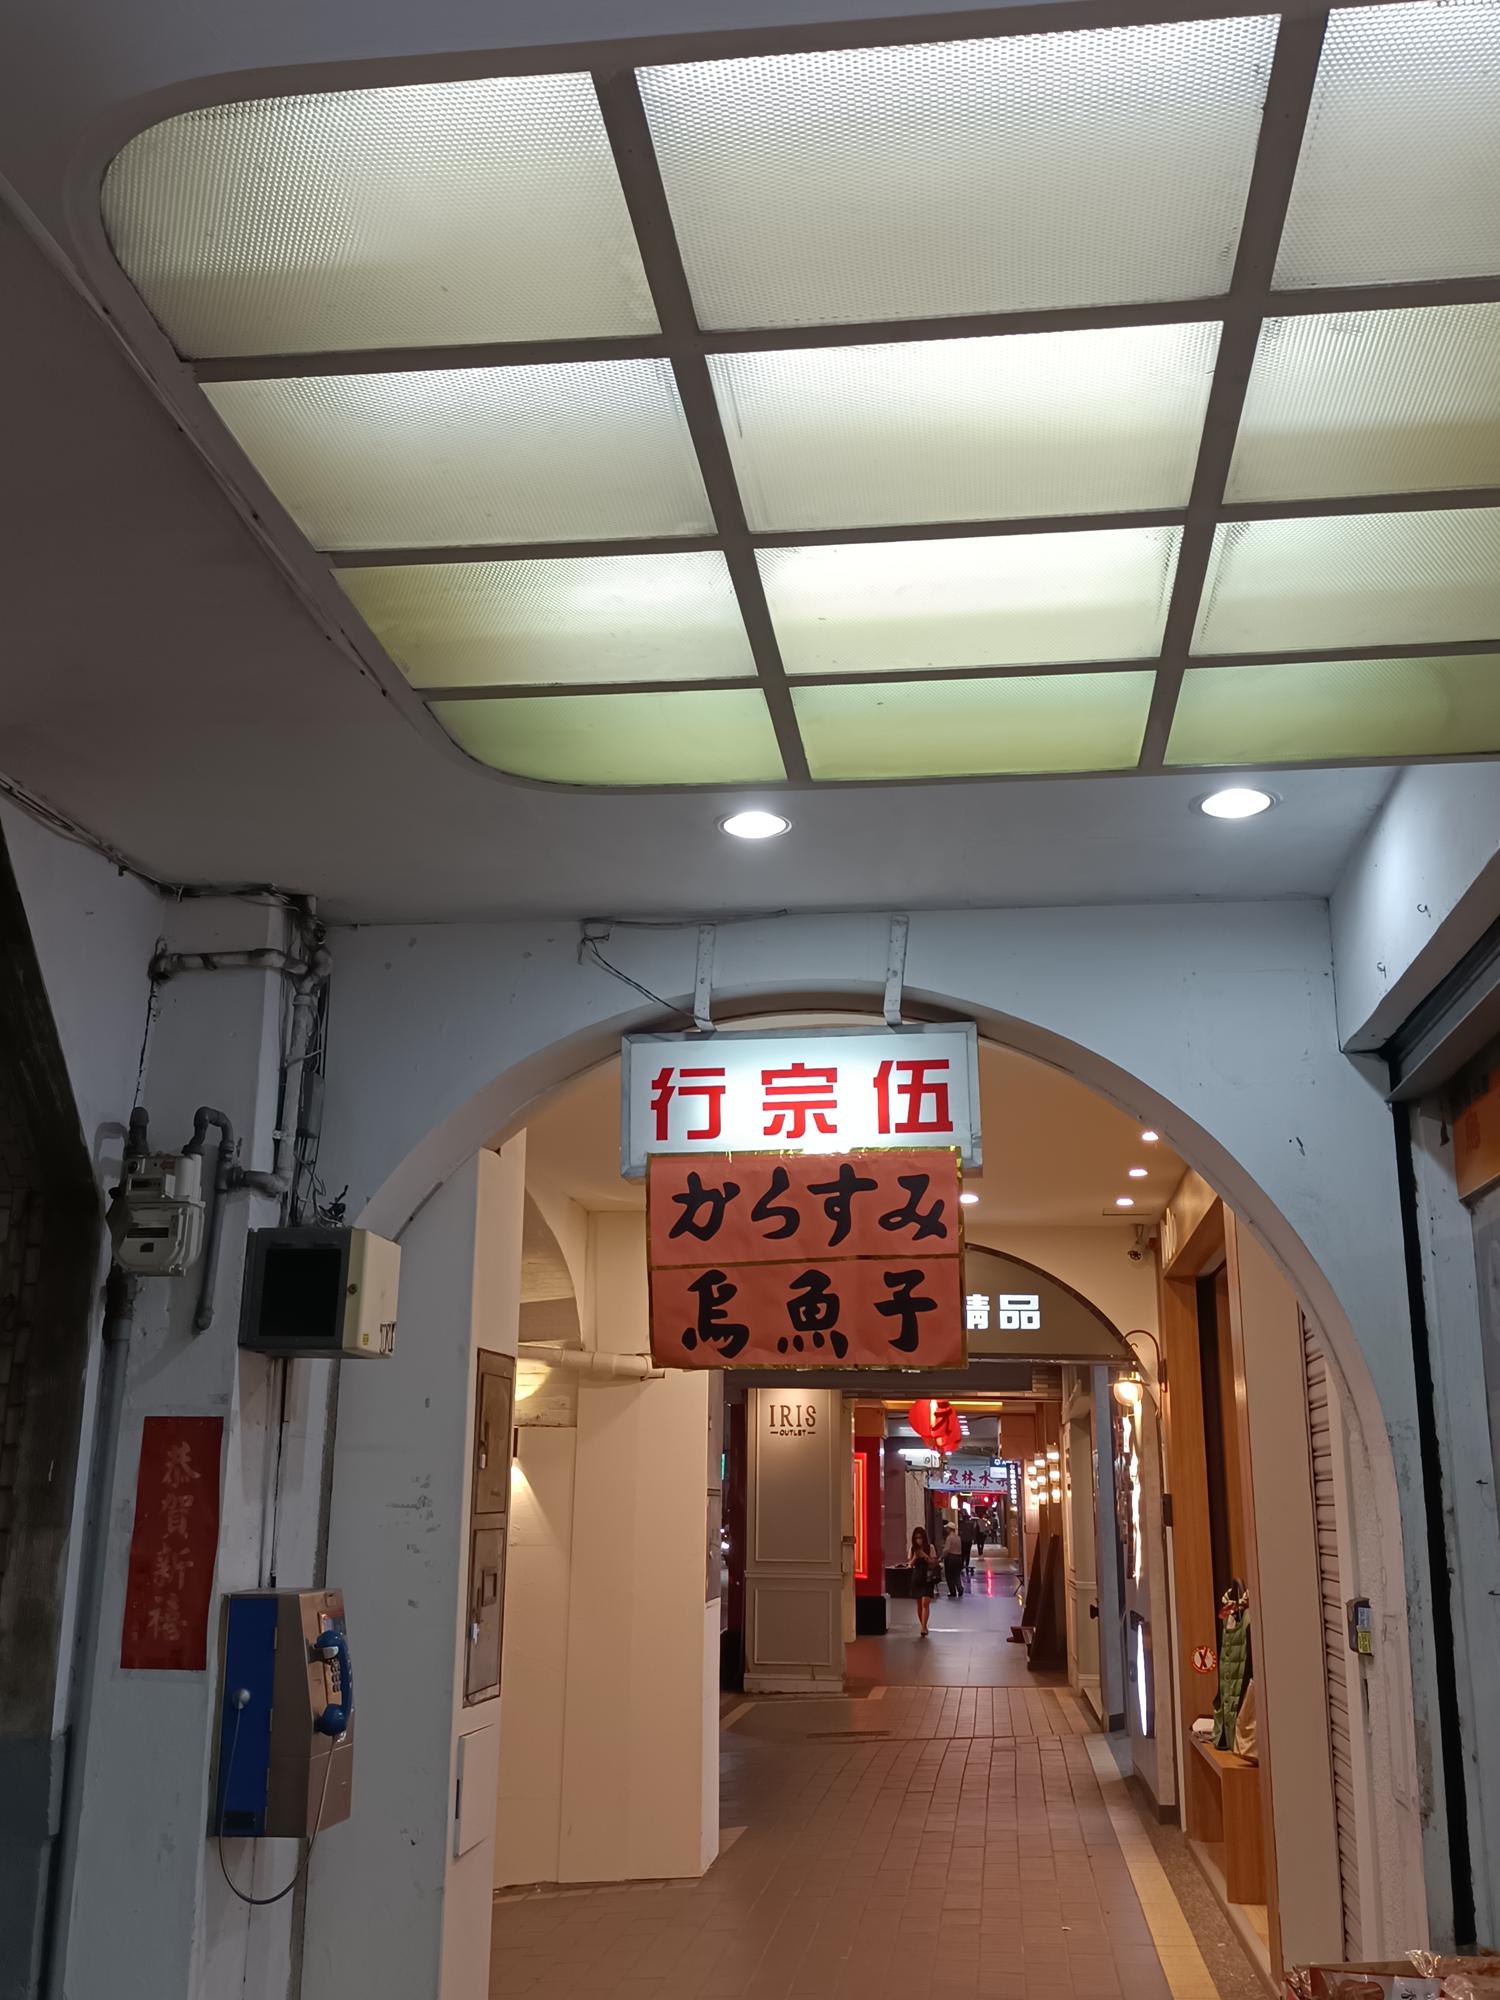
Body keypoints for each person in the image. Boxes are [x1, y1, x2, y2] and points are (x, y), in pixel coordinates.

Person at [908, 1527, 938, 1637]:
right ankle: (923, 1625)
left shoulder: (930, 1547)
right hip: (917, 1577)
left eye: (920, 1537)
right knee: (919, 1603)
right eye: (916, 1538)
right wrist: (915, 1557)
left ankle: (924, 1627)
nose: (918, 1540)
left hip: (927, 1577)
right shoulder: (912, 1548)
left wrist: (925, 1556)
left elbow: (933, 1562)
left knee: (925, 1602)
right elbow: (910, 1564)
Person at [942, 1520, 964, 1598]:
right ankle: (960, 1588)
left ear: (949, 1529)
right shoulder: (958, 1538)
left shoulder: (949, 1538)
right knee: (957, 1575)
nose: (946, 1529)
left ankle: (953, 1591)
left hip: (951, 1558)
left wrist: (942, 1557)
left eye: (947, 1528)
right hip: (958, 1558)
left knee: (949, 1576)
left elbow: (947, 1550)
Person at [959, 1510, 976, 1580]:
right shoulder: (971, 1524)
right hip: (968, 1540)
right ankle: (966, 1564)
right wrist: (973, 1539)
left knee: (963, 1553)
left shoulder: (961, 1524)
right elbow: (973, 1532)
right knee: (967, 1552)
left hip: (963, 1540)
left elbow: (960, 1532)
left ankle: (962, 1564)